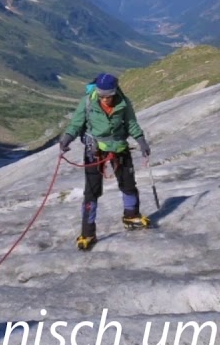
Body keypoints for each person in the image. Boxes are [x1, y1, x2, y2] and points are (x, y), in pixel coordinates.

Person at [58, 73, 152, 250]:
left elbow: (131, 123)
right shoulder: (87, 102)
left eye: (108, 96)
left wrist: (141, 141)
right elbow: (76, 124)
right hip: (95, 151)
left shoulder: (123, 103)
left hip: (119, 147)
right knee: (91, 192)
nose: (104, 99)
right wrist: (66, 140)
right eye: (101, 96)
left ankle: (131, 216)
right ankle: (87, 233)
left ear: (115, 91)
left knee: (128, 184)